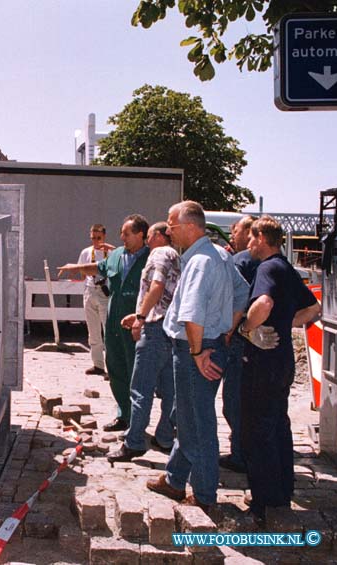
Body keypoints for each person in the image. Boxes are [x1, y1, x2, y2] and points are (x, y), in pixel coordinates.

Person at [146, 201, 249, 512]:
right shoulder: (219, 254)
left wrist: (198, 350)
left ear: (189, 226)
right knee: (189, 418)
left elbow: (191, 316)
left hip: (195, 350)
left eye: (171, 226)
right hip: (210, 345)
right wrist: (226, 333)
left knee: (198, 422)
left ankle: (204, 495)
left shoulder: (200, 262)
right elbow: (242, 294)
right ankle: (176, 479)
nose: (168, 231)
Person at [238, 216, 320, 523]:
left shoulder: (268, 268)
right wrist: (286, 325)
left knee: (255, 432)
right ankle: (282, 491)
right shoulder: (287, 267)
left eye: (250, 238)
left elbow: (264, 303)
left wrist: (248, 328)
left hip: (262, 362)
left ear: (261, 238)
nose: (247, 244)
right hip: (283, 359)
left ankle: (264, 502)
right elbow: (314, 309)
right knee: (278, 427)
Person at [59, 215, 150, 432]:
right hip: (114, 321)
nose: (122, 237)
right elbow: (99, 267)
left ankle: (138, 422)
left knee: (136, 373)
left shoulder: (151, 257)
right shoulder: (117, 255)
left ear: (140, 235)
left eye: (126, 233)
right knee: (116, 369)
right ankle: (123, 415)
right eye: (121, 233)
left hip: (137, 323)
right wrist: (75, 267)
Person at [108, 222, 180, 462]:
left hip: (154, 329)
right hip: (170, 328)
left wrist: (141, 317)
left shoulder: (159, 253)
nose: (148, 241)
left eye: (149, 236)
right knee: (169, 387)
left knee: (141, 387)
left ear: (158, 236)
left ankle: (135, 441)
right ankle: (165, 436)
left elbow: (157, 285)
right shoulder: (175, 256)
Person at [219, 215, 260, 474]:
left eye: (235, 231)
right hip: (259, 343)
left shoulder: (240, 262)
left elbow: (230, 300)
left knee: (233, 399)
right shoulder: (268, 263)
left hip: (237, 341)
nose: (231, 236)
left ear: (249, 232)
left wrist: (232, 329)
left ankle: (240, 454)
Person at [76, 224, 115, 375]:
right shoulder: (86, 252)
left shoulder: (111, 252)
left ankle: (112, 368)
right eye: (93, 238)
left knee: (108, 331)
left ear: (104, 236)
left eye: (99, 238)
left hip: (105, 292)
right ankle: (98, 364)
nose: (96, 241)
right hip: (90, 290)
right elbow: (81, 271)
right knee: (93, 331)